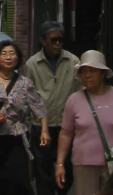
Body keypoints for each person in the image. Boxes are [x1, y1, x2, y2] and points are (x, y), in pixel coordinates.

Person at [0, 40, 50, 195]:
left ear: (18, 58)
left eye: (12, 54)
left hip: (17, 139)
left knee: (19, 182)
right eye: (4, 53)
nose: (8, 57)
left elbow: (40, 109)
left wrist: (45, 131)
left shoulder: (25, 83)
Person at [55, 50, 113, 195]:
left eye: (92, 71)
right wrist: (60, 164)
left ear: (103, 73)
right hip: (83, 165)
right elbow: (66, 134)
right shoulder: (74, 100)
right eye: (83, 71)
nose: (87, 75)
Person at [24, 21, 80, 195]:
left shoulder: (73, 61)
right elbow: (28, 96)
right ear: (43, 41)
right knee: (43, 171)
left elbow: (81, 92)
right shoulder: (32, 64)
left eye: (60, 40)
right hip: (41, 126)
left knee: (68, 168)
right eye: (53, 40)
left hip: (67, 125)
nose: (57, 44)